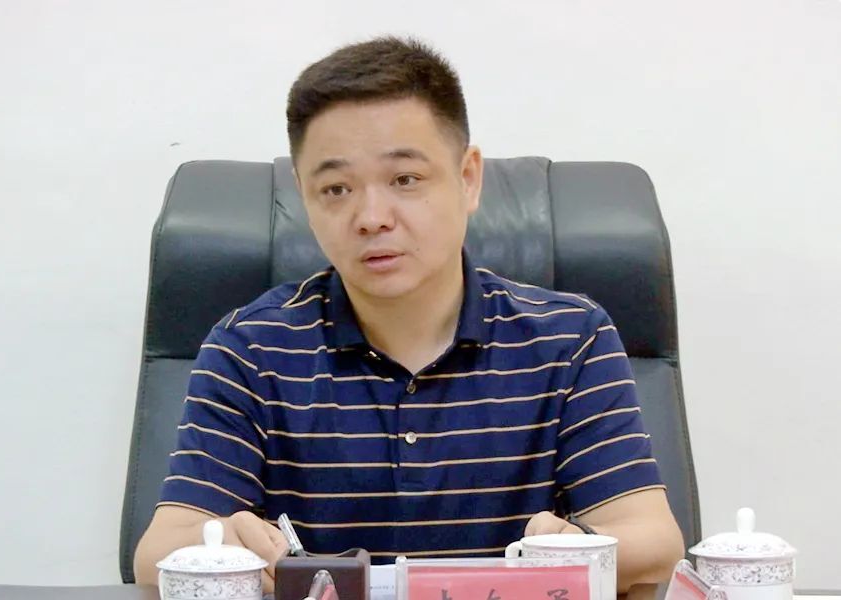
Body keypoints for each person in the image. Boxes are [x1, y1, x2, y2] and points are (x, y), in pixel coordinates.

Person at [134, 36, 684, 597]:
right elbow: (156, 556)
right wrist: (224, 543)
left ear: (468, 178)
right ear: (303, 197)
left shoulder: (570, 338)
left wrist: (574, 547)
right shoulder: (250, 348)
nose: (372, 217)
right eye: (336, 188)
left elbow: (654, 541)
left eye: (405, 179)